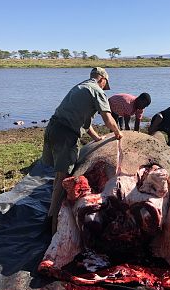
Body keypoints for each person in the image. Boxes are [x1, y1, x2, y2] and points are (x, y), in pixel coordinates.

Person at [41, 67, 123, 233]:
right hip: (65, 134)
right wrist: (118, 133)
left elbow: (86, 124)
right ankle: (53, 221)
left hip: (52, 129)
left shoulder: (80, 87)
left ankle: (51, 212)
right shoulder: (97, 91)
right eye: (105, 84)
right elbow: (108, 118)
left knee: (58, 176)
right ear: (102, 80)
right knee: (64, 178)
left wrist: (96, 138)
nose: (104, 88)